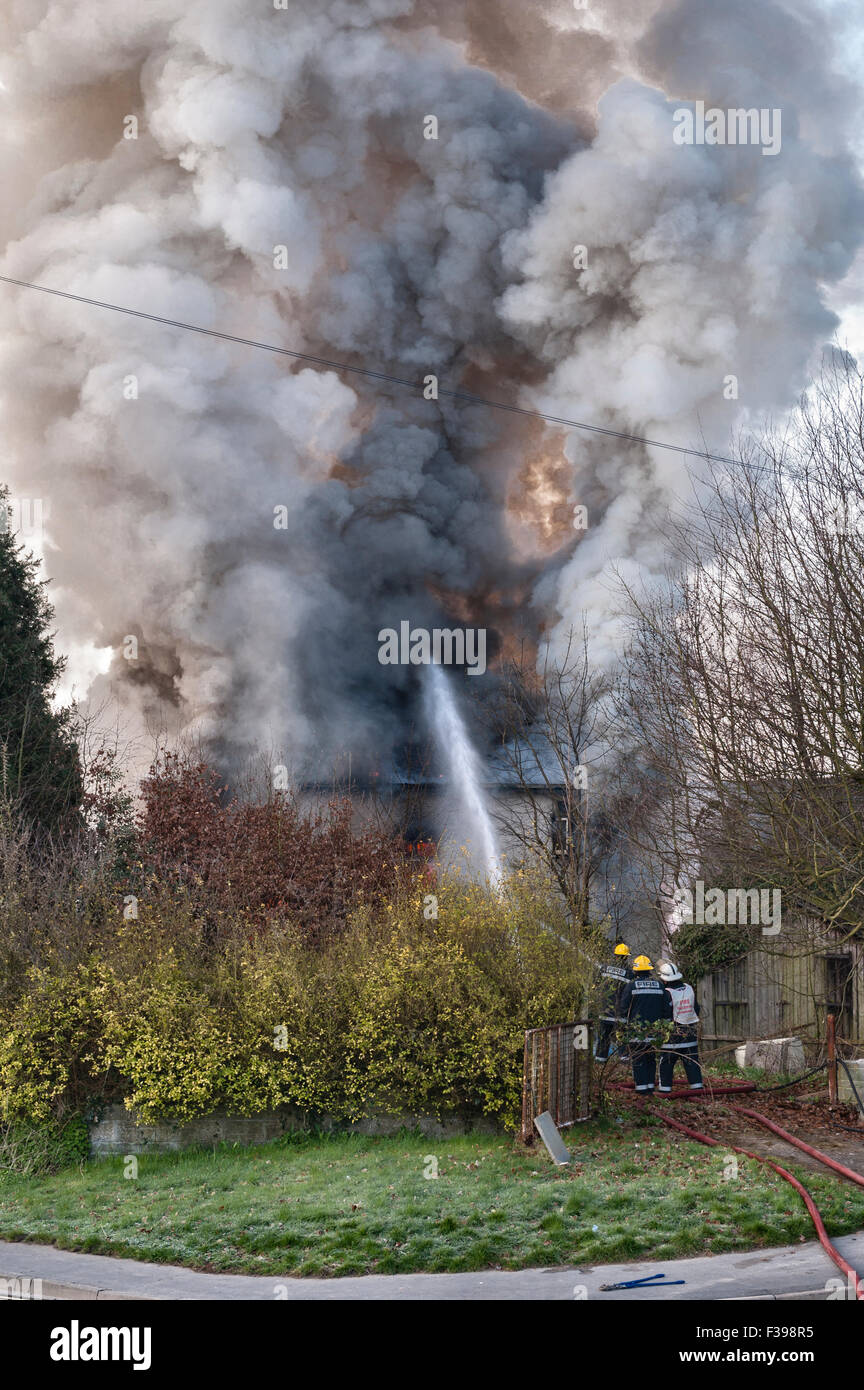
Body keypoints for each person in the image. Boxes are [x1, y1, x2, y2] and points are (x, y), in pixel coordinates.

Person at [619, 955, 668, 1094]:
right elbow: (666, 1008)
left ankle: (641, 1089)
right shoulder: (659, 985)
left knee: (638, 1059)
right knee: (651, 1058)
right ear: (650, 970)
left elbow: (623, 1009)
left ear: (635, 971)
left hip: (636, 1033)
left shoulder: (631, 986)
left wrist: (622, 1029)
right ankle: (650, 1087)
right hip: (655, 1032)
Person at [657, 962, 703, 1093]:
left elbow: (665, 1014)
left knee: (666, 1063)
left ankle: (664, 1090)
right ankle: (697, 1088)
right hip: (690, 1032)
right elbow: (696, 1008)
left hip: (672, 1035)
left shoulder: (666, 993)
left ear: (665, 980)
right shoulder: (689, 988)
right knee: (692, 1062)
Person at [595, 943, 633, 1061]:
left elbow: (595, 985)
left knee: (603, 1038)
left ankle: (600, 1061)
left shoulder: (604, 968)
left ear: (615, 956)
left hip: (604, 1010)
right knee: (622, 1039)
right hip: (620, 1013)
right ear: (626, 957)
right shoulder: (629, 974)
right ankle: (624, 1062)